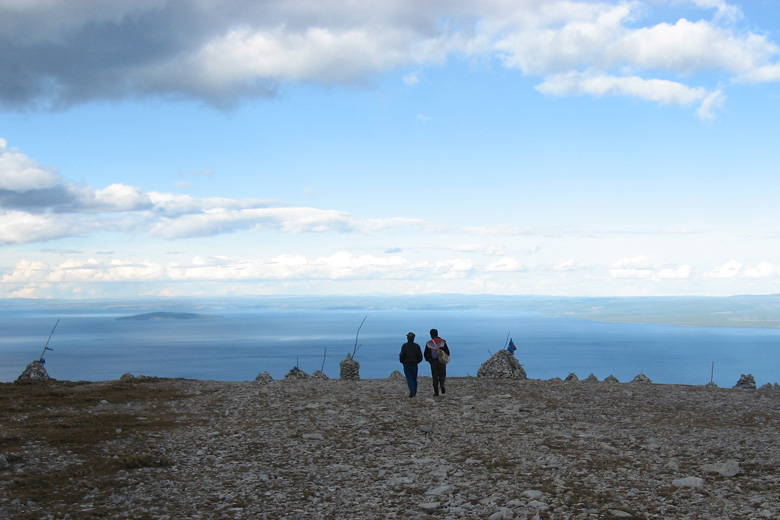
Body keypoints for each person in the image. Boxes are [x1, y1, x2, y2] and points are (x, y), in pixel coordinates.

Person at [424, 328, 450, 396]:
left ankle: (436, 392)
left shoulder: (429, 343)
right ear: (437, 333)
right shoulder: (442, 342)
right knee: (442, 374)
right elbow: (447, 352)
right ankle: (442, 384)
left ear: (430, 335)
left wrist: (428, 360)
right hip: (441, 361)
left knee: (434, 376)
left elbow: (425, 353)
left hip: (433, 361)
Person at [399, 332, 423, 397]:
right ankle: (414, 391)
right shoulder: (416, 346)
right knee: (414, 378)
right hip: (414, 364)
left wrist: (402, 361)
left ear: (407, 338)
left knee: (409, 378)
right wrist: (417, 362)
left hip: (406, 364)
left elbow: (402, 356)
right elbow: (420, 357)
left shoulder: (404, 346)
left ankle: (412, 392)